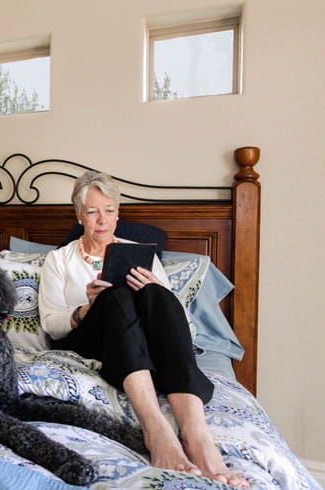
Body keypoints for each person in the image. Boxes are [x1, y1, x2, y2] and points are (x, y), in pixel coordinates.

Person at [38, 170, 248, 488]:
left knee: (156, 293)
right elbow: (51, 325)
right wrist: (86, 308)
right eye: (93, 212)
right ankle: (156, 428)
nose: (102, 220)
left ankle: (194, 431)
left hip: (139, 342)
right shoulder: (58, 260)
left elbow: (176, 324)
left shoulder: (140, 254)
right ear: (79, 215)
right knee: (116, 294)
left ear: (118, 213)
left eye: (109, 210)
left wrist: (156, 286)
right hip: (90, 340)